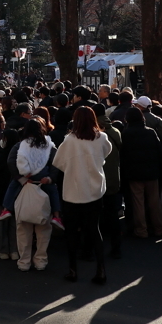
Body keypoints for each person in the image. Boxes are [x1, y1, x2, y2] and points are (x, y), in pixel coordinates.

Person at [53, 105, 112, 284]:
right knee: (94, 230)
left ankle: (73, 270)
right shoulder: (102, 138)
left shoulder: (69, 141)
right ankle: (101, 270)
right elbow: (106, 153)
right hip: (95, 190)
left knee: (71, 232)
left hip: (73, 190)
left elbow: (59, 163)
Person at [12, 118, 61, 272]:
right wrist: (50, 178)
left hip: (24, 190)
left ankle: (24, 261)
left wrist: (21, 179)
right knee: (43, 228)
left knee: (23, 228)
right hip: (44, 190)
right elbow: (57, 164)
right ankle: (41, 260)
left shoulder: (20, 145)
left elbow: (10, 162)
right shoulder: (50, 146)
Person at [120, 108, 162, 239]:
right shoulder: (151, 132)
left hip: (134, 173)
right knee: (154, 202)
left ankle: (141, 230)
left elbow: (123, 156)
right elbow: (160, 152)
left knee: (138, 202)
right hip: (152, 172)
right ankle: (159, 228)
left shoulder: (126, 133)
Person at [93, 103, 124, 259]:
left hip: (97, 179)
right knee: (113, 214)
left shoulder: (93, 135)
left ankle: (94, 249)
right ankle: (116, 247)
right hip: (113, 178)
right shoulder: (116, 131)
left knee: (95, 215)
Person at [0, 128, 21, 261]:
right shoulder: (19, 155)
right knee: (14, 223)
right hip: (16, 193)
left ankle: (2, 250)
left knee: (0, 222)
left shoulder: (1, 155)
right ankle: (14, 250)